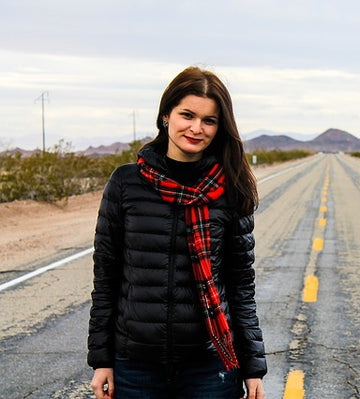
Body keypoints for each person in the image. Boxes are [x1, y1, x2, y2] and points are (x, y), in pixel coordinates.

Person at [87, 66, 267, 399]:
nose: (196, 128)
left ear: (219, 127)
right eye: (187, 115)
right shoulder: (126, 183)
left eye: (209, 120)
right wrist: (102, 360)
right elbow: (106, 279)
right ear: (166, 115)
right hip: (136, 364)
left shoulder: (230, 189)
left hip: (210, 366)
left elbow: (240, 283)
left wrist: (253, 366)